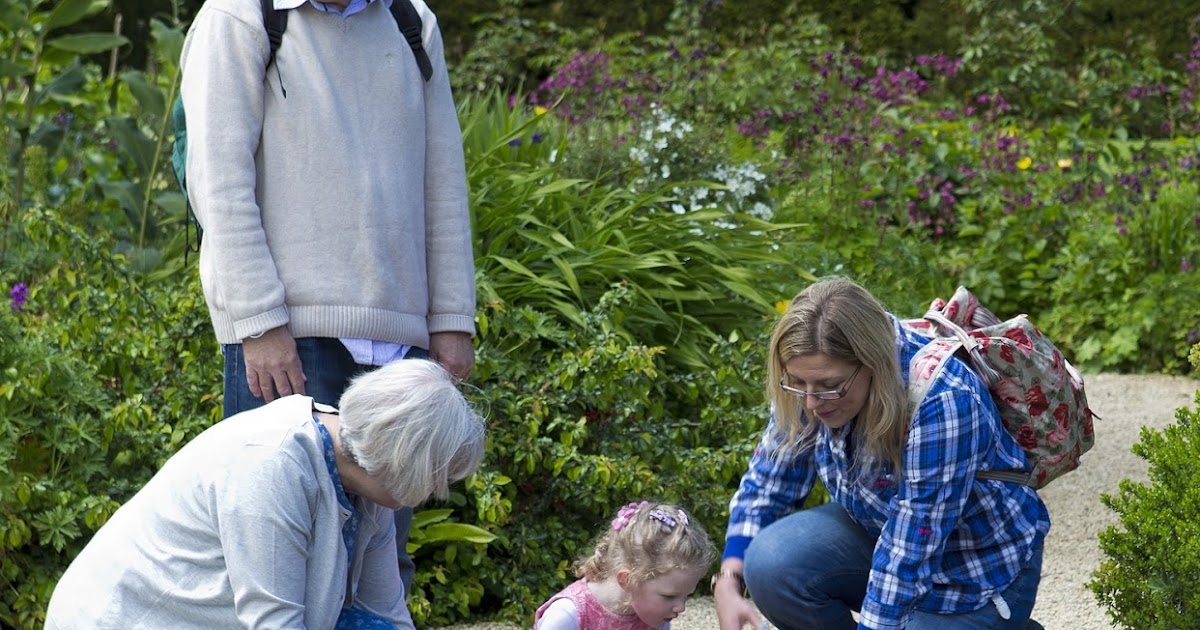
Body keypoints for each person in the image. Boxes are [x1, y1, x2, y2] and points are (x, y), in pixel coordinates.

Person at [178, 0, 477, 593]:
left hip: (402, 346)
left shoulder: (410, 18)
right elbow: (217, 179)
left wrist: (451, 318)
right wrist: (258, 321)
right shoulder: (238, 16)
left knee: (384, 567)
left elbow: (444, 174)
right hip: (289, 339)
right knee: (279, 562)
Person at [44, 359, 485, 630]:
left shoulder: (369, 477)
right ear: (405, 461)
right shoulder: (271, 466)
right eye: (438, 474)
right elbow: (274, 625)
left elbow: (384, 616)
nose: (437, 490)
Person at [713, 277, 1050, 630]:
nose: (810, 403)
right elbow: (770, 482)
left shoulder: (943, 398)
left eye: (829, 387)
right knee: (771, 562)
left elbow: (911, 549)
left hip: (977, 573)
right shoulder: (813, 376)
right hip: (881, 535)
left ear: (872, 363)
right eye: (798, 383)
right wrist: (729, 579)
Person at [534, 501, 716, 630]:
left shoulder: (652, 614)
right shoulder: (568, 617)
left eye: (686, 596)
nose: (681, 608)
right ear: (627, 580)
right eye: (669, 597)